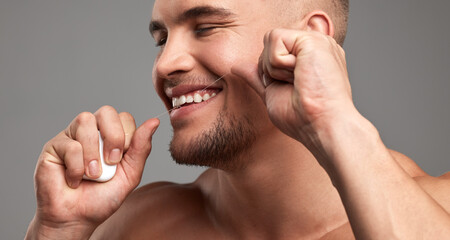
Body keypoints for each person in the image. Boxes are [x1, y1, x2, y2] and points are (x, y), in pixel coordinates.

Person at [26, 0, 450, 239]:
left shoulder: (439, 212)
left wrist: (334, 121)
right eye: (161, 39)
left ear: (310, 41)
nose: (165, 64)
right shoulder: (136, 227)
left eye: (206, 27)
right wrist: (58, 230)